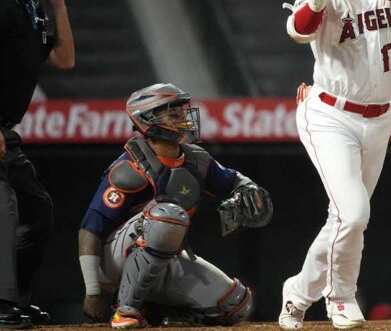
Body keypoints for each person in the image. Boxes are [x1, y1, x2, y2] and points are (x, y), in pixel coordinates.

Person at [280, 0, 391, 329]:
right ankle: (340, 297)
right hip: (330, 115)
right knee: (354, 214)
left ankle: (297, 294)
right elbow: (300, 30)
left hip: (380, 118)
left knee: (343, 218)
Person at [78, 83, 272, 328]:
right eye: (173, 112)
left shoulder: (197, 159)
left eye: (182, 110)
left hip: (165, 256)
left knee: (235, 303)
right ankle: (125, 309)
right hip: (115, 261)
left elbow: (233, 180)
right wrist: (93, 291)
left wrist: (248, 188)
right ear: (147, 119)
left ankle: (162, 313)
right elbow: (90, 229)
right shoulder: (128, 169)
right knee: (167, 216)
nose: (183, 117)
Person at [0, 0, 75, 329]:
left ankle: (15, 303)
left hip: (6, 132)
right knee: (5, 212)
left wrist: (57, 3)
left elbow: (64, 58)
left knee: (36, 211)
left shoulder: (27, 6)